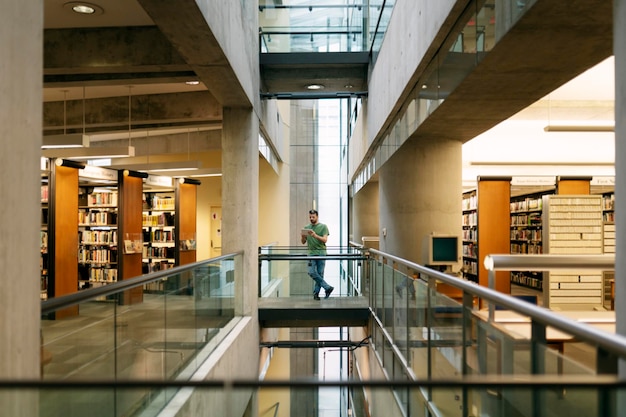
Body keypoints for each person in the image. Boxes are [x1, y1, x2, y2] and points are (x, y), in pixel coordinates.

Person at [301, 209, 334, 300]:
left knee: (320, 273)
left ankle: (316, 293)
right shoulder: (306, 227)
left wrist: (315, 236)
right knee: (311, 271)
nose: (311, 218)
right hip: (311, 253)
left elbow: (325, 240)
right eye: (310, 217)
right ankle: (327, 287)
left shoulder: (323, 227)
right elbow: (303, 242)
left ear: (317, 216)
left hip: (321, 253)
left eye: (313, 217)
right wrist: (303, 237)